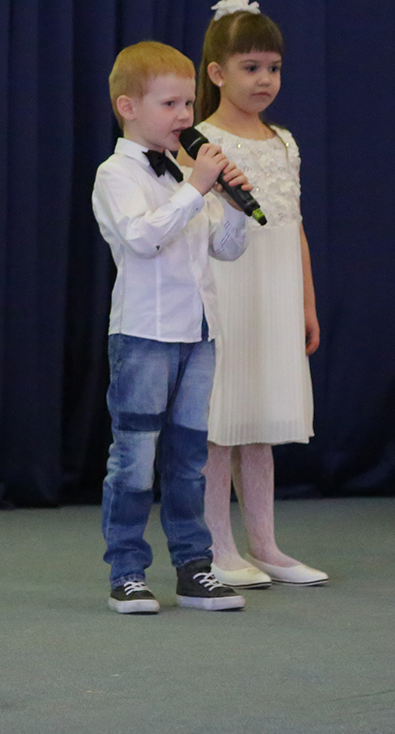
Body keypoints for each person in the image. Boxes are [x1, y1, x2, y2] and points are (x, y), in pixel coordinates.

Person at [91, 40, 254, 613]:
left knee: (189, 461)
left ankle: (194, 568)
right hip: (143, 334)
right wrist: (195, 188)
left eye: (189, 103)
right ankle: (128, 572)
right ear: (128, 107)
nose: (185, 116)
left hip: (198, 333)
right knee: (134, 458)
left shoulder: (189, 175)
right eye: (170, 104)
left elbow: (226, 249)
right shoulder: (116, 174)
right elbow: (143, 238)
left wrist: (233, 205)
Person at [182, 0, 327, 589]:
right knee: (223, 422)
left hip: (275, 293)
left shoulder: (284, 142)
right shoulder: (199, 140)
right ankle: (218, 545)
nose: (265, 79)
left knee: (261, 422)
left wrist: (306, 302)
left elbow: (294, 226)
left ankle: (264, 543)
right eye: (251, 67)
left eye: (274, 67)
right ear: (217, 73)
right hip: (227, 293)